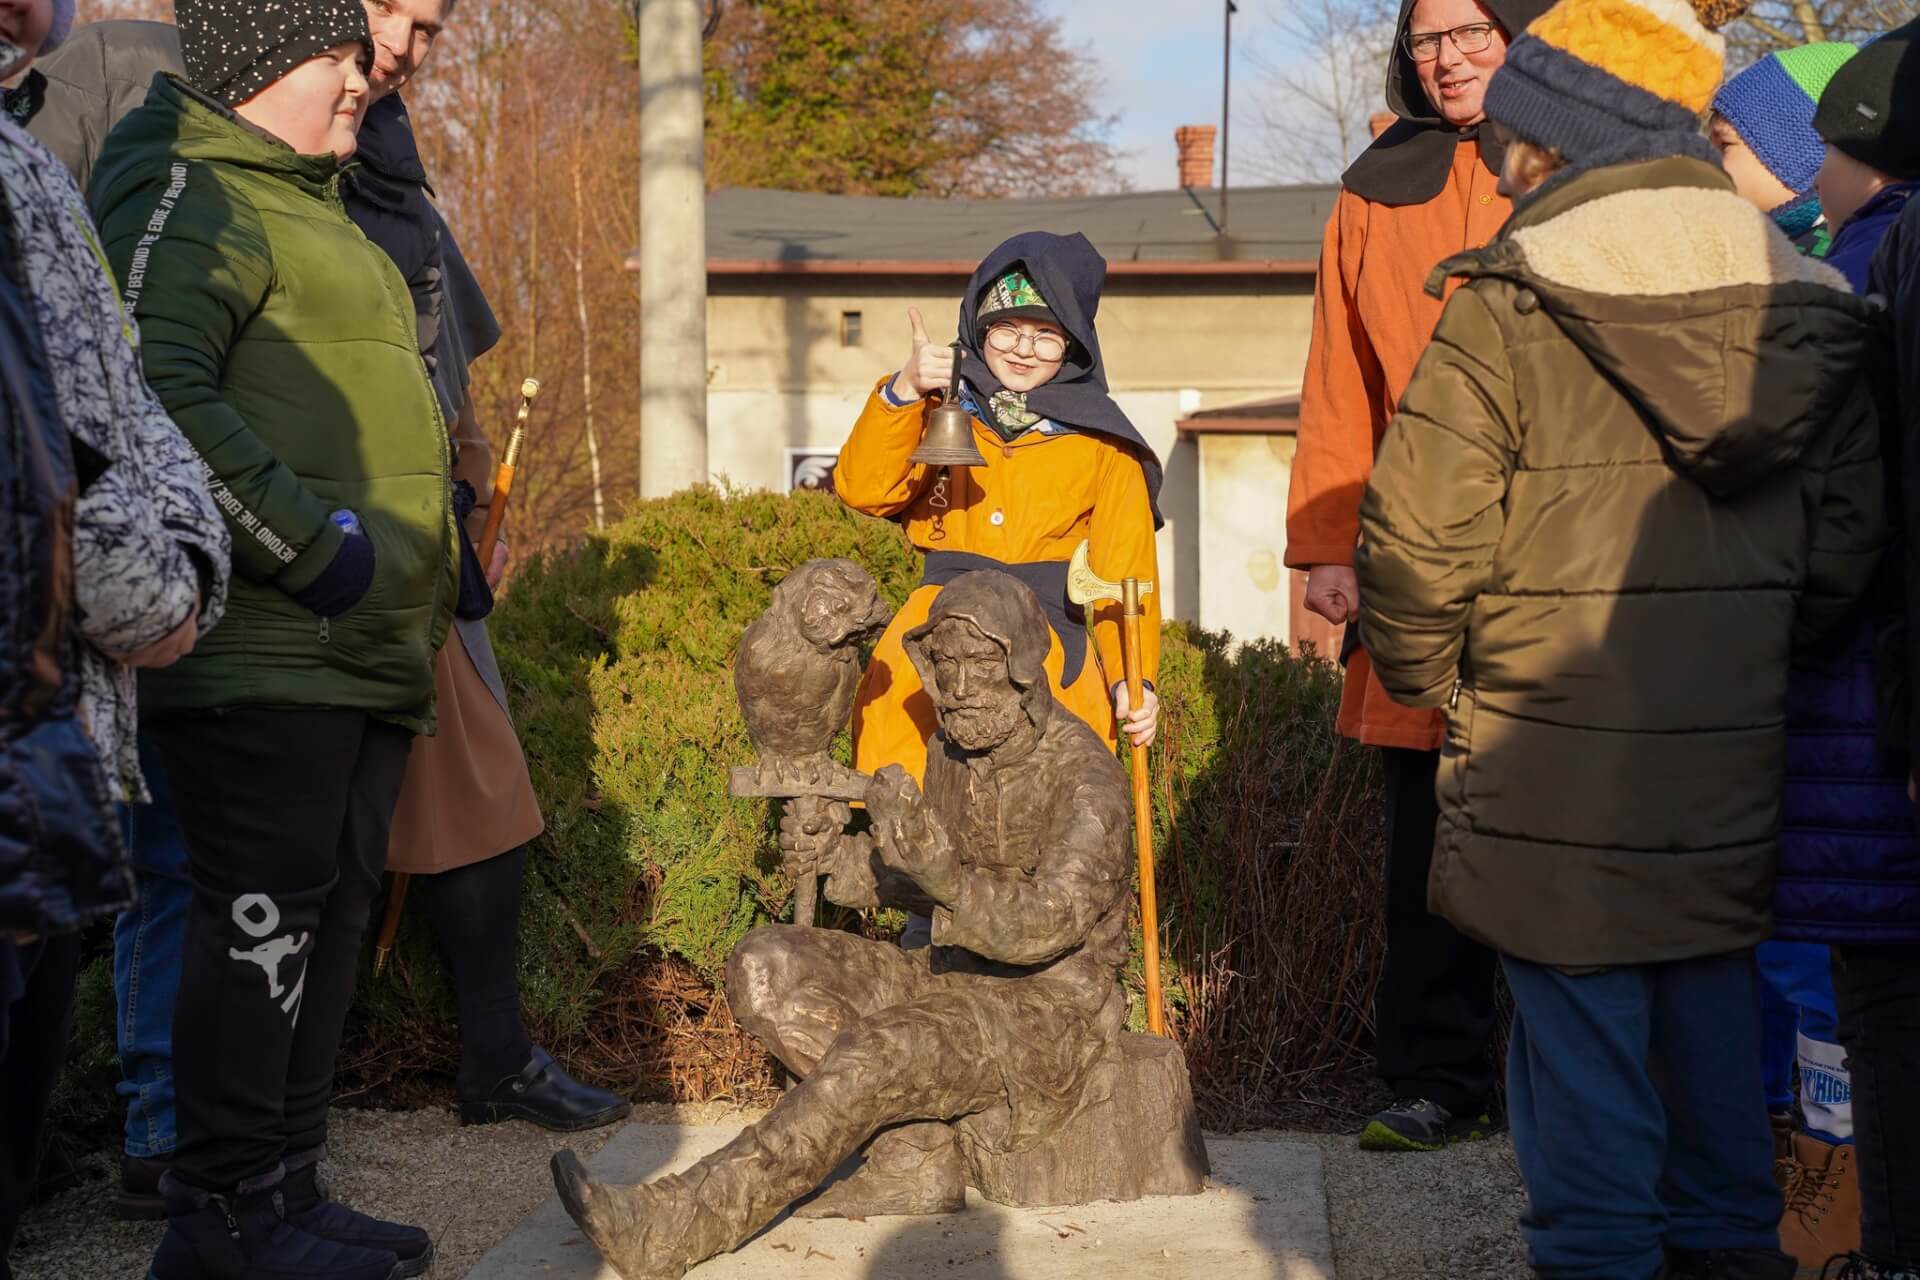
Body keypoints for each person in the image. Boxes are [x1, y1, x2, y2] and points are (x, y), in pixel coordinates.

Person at [1353, 0, 1888, 1272]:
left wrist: (1445, 685)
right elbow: (1850, 540)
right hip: (1730, 748)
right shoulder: (1807, 292)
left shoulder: (1509, 295)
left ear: (1555, 139)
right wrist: (1754, 653)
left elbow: (1415, 543)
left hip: (1544, 748)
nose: (1492, 155)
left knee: (1579, 1083)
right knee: (1712, 1051)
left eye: (1512, 137)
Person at [88, 0, 460, 1274]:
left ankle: (288, 1185)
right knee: (262, 930)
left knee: (326, 918)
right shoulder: (193, 186)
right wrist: (314, 546)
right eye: (340, 59)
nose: (367, 79)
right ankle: (223, 1215)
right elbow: (147, 386)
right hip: (267, 645)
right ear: (260, 63)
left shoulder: (306, 196)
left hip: (357, 649)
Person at [550, 570, 1137, 1280]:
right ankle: (911, 1159)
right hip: (946, 974)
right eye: (943, 665)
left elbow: (1050, 922)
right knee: (765, 966)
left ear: (1020, 666)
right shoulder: (952, 752)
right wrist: (845, 860)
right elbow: (918, 885)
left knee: (881, 1050)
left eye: (980, 665)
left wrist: (943, 877)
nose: (957, 686)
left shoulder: (1088, 779)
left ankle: (674, 1225)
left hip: (1044, 1013)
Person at [346, 0, 629, 1135]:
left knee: (485, 795)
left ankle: (494, 1055)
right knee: (290, 849)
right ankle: (215, 1140)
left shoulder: (390, 164)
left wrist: (465, 491)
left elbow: (435, 358)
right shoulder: (262, 144)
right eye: (393, 17)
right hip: (308, 551)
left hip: (423, 542)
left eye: (430, 29)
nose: (409, 49)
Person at [1284, 0, 1549, 1153]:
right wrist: (1329, 546)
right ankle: (1438, 1076)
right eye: (1429, 36)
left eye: (1472, 31)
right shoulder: (1371, 188)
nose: (1447, 57)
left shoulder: (1587, 164)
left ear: (1524, 31)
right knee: (1428, 836)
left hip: (1563, 557)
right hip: (1414, 557)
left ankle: (1565, 1082)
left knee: (1566, 824)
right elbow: (1339, 379)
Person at [0, 0, 227, 1267]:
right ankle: (158, 1128)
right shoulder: (48, 166)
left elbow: (128, 410)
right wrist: (164, 589)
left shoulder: (29, 166)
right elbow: (74, 448)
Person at [1708, 42, 1867, 1270]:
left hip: (1828, 679)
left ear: (1801, 151)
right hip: (1772, 680)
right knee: (1768, 932)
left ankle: (1833, 1172)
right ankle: (1775, 1149)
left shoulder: (1838, 285)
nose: (1716, 156)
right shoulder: (1781, 268)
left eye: (1731, 140)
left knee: (1816, 944)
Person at [833, 231, 1163, 789]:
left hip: (1051, 652)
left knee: (1048, 817)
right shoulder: (942, 411)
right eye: (1006, 328)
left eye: (1046, 336)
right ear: (979, 329)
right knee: (904, 805)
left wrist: (1135, 681)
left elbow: (1123, 577)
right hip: (931, 648)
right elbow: (865, 488)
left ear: (1075, 345)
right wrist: (903, 390)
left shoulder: (1106, 445)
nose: (1023, 349)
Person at [1802, 21, 1920, 1280]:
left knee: (1881, 1014)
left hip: (1867, 727)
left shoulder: (1867, 278)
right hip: (1881, 714)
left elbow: (1845, 527)